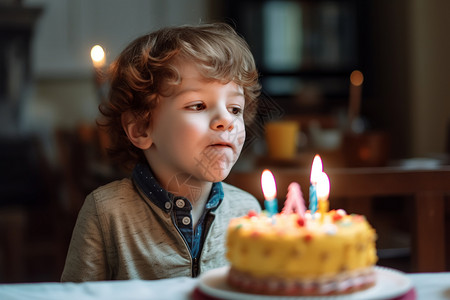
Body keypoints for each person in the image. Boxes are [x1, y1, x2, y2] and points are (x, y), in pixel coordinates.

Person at [60, 23, 262, 281]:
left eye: (235, 109)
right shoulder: (106, 213)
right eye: (198, 105)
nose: (227, 120)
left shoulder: (248, 211)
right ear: (142, 128)